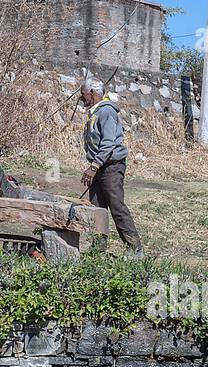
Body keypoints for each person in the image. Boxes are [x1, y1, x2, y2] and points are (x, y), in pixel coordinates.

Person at [79, 76, 143, 257]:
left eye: (84, 94)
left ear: (92, 93)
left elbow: (108, 143)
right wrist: (94, 167)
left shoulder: (106, 112)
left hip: (111, 167)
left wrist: (93, 167)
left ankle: (134, 249)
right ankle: (98, 249)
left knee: (116, 206)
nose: (82, 98)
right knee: (98, 209)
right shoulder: (96, 111)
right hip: (100, 167)